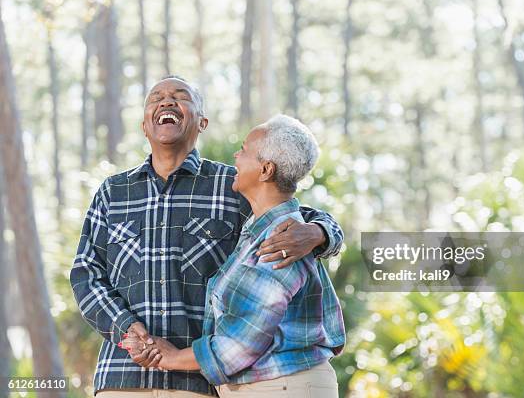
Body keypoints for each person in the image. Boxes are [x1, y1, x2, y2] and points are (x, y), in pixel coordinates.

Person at [70, 76, 344, 397]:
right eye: (155, 97)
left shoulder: (234, 184)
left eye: (180, 96)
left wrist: (319, 232)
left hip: (199, 381)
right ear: (144, 125)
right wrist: (127, 330)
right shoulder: (113, 192)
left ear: (202, 122)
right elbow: (86, 274)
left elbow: (290, 213)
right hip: (123, 375)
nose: (167, 101)